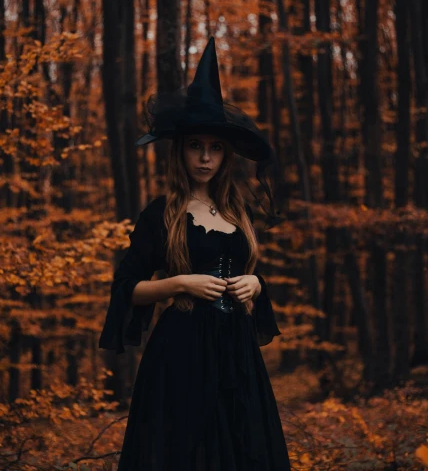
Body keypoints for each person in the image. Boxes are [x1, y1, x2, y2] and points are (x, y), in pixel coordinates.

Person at [98, 37, 291, 470]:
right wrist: (180, 283)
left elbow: (250, 275)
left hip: (236, 351)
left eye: (215, 147)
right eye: (195, 146)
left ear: (226, 155)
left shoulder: (239, 212)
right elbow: (126, 288)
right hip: (181, 351)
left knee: (243, 451)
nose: (205, 157)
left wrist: (257, 283)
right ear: (180, 150)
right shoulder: (160, 214)